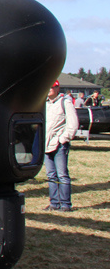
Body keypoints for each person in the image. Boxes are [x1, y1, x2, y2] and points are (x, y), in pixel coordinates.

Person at [45, 80, 79, 212]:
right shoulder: (45, 103)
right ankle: (54, 202)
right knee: (51, 175)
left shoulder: (65, 102)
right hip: (47, 145)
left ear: (58, 88)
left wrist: (63, 139)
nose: (50, 90)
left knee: (62, 175)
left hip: (59, 145)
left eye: (52, 87)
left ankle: (65, 204)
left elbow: (73, 124)